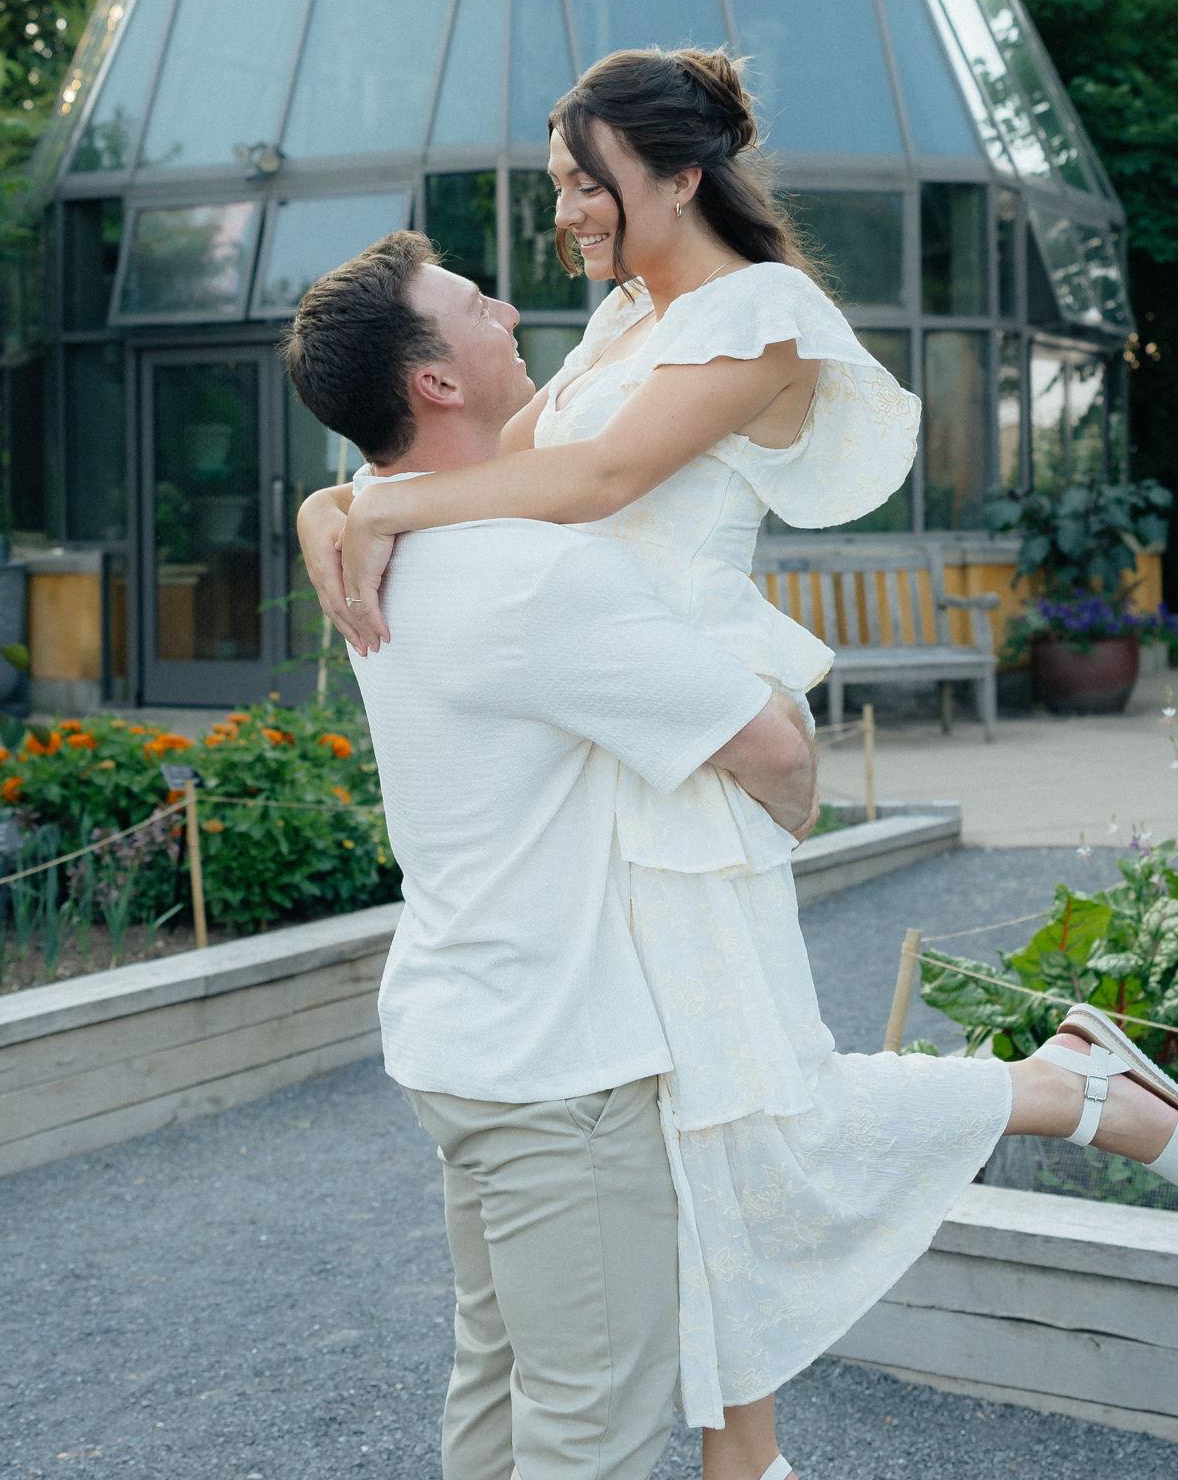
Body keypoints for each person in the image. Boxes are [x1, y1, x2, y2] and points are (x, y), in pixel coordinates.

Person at [299, 48, 1178, 1480]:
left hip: (687, 737)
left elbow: (594, 485)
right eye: (557, 184)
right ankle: (754, 1445)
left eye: (586, 182)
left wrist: (373, 507)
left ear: (679, 176)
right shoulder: (621, 322)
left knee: (753, 1114)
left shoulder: (762, 316)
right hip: (602, 731)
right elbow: (486, 469)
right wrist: (345, 500)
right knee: (702, 1140)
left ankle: (1057, 1092)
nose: (564, 214)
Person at [282, 230, 824, 1480]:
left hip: (459, 1036)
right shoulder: (531, 573)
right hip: (559, 1065)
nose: (510, 312)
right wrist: (778, 799)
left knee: (498, 1390)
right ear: (434, 380)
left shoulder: (375, 540)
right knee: (592, 1425)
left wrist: (328, 501)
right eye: (477, 305)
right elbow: (775, 754)